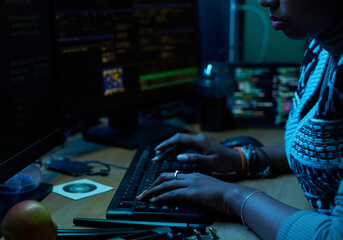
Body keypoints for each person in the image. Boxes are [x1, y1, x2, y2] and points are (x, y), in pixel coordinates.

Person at [137, 0, 343, 239]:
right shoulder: (322, 47)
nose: (266, 1)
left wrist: (229, 196)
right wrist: (243, 158)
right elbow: (327, 150)